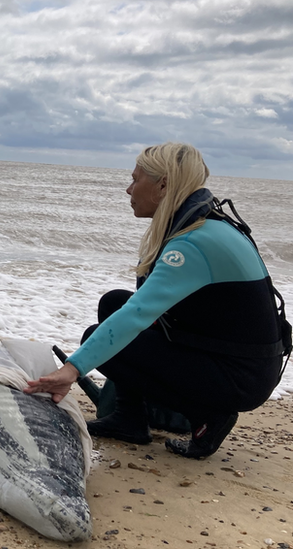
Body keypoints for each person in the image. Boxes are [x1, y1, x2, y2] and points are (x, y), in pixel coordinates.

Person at [24, 142, 290, 459]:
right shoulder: (205, 222)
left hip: (241, 378)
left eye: (136, 180)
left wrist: (71, 369)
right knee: (113, 303)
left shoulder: (194, 242)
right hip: (243, 362)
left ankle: (208, 415)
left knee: (99, 336)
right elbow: (141, 308)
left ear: (162, 185)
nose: (128, 188)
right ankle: (129, 418)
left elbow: (137, 315)